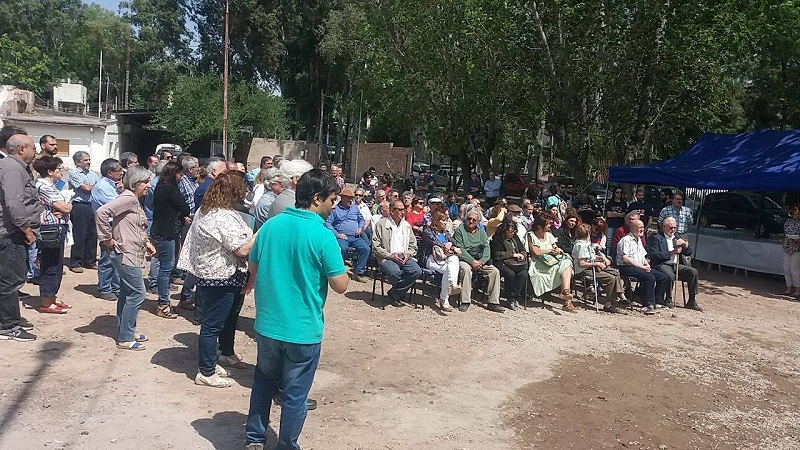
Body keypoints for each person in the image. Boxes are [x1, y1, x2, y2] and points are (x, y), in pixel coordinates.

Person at [245, 169, 348, 449]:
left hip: (267, 325)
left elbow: (252, 266)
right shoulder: (323, 235)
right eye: (332, 199)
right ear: (317, 198)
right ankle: (286, 445)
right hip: (302, 329)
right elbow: (341, 285)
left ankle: (254, 439)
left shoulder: (271, 225)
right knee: (295, 394)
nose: (334, 205)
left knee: (263, 383)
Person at [177, 172, 256, 385]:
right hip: (220, 276)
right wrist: (262, 232)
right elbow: (241, 249)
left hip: (222, 275)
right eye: (242, 188)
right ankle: (206, 372)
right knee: (212, 325)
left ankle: (213, 361)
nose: (245, 192)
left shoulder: (211, 210)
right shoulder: (219, 216)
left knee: (221, 321)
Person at [95, 166, 156, 350]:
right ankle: (126, 337)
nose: (148, 185)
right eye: (145, 182)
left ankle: (126, 331)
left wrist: (146, 243)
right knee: (138, 293)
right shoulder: (128, 198)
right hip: (125, 253)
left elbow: (134, 226)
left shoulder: (134, 200)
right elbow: (101, 213)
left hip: (131, 251)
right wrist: (106, 239)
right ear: (135, 183)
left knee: (127, 292)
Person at [0, 134, 42, 341]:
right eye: (33, 148)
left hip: (11, 232)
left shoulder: (12, 167)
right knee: (11, 280)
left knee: (8, 279)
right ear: (21, 149)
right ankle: (8, 327)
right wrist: (26, 229)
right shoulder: (13, 169)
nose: (36, 152)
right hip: (11, 233)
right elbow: (14, 203)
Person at [151, 161, 191, 319]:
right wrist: (181, 213)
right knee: (166, 268)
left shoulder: (160, 187)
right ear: (173, 174)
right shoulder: (170, 189)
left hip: (160, 230)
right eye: (180, 174)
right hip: (166, 233)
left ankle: (163, 300)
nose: (181, 178)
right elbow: (185, 207)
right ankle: (163, 303)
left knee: (164, 266)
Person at [33, 156, 72, 314]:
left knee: (57, 263)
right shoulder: (44, 186)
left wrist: (65, 205)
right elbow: (65, 208)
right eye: (58, 169)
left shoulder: (53, 185)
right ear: (49, 171)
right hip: (50, 228)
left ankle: (52, 295)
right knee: (50, 263)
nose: (61, 172)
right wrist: (69, 204)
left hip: (58, 226)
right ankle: (46, 301)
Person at [453, 207, 504, 313]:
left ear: (478, 222)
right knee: (466, 270)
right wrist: (472, 261)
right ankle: (465, 301)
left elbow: (486, 247)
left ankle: (493, 302)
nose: (471, 221)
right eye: (469, 219)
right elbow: (460, 249)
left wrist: (481, 261)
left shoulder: (481, 231)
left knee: (494, 271)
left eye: (473, 220)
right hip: (465, 258)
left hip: (479, 260)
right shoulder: (460, 231)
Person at [372, 199, 422, 307]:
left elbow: (413, 245)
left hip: (404, 256)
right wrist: (390, 255)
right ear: (392, 211)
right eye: (399, 209)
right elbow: (376, 247)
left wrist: (408, 254)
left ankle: (395, 292)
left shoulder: (407, 226)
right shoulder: (381, 224)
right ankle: (400, 293)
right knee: (394, 271)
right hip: (387, 257)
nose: (403, 212)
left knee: (416, 271)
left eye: (403, 209)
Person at [648, 217, 702, 311]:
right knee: (670, 275)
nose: (673, 230)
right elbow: (654, 255)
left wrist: (685, 244)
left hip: (675, 264)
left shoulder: (676, 236)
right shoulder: (656, 237)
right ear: (664, 227)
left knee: (693, 272)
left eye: (674, 228)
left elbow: (688, 253)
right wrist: (671, 253)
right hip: (662, 264)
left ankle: (692, 300)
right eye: (670, 228)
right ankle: (668, 298)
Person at [617, 219, 670, 315]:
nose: (642, 229)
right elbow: (625, 259)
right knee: (649, 277)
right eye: (639, 227)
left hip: (639, 266)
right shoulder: (626, 240)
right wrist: (642, 267)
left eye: (642, 227)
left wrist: (646, 264)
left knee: (663, 277)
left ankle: (657, 301)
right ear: (632, 228)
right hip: (626, 267)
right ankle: (647, 305)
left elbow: (642, 256)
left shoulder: (639, 240)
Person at [572, 223, 628, 313]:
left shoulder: (586, 243)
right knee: (611, 278)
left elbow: (589, 256)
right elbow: (582, 263)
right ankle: (608, 304)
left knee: (615, 272)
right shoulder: (580, 245)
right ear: (588, 233)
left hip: (593, 265)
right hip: (584, 270)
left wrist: (600, 258)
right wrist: (597, 264)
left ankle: (620, 296)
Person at [526, 213, 577, 312]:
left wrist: (558, 250)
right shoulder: (531, 235)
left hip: (552, 261)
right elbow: (536, 252)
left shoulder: (549, 235)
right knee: (566, 266)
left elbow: (555, 247)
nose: (550, 226)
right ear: (540, 226)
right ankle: (567, 300)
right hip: (539, 264)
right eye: (548, 224)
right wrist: (548, 250)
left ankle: (565, 293)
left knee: (566, 262)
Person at [91, 158, 124, 300]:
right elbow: (117, 205)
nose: (121, 173)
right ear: (110, 173)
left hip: (117, 225)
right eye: (118, 170)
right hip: (108, 226)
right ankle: (105, 288)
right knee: (107, 258)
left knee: (118, 258)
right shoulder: (102, 187)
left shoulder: (115, 185)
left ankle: (116, 287)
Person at [324, 187, 370, 283]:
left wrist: (360, 228)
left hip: (355, 236)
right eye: (348, 197)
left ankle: (358, 273)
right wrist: (337, 234)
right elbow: (328, 223)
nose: (350, 199)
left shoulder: (354, 208)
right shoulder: (336, 209)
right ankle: (338, 272)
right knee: (343, 249)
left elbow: (361, 219)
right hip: (342, 236)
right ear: (342, 198)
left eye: (351, 198)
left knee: (366, 248)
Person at [420, 209, 462, 312]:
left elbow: (453, 241)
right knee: (449, 270)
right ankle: (445, 297)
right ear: (437, 221)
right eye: (443, 220)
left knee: (454, 260)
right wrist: (449, 247)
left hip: (444, 259)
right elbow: (435, 242)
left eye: (446, 220)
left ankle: (450, 288)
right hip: (430, 258)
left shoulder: (445, 233)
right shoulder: (428, 231)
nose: (446, 223)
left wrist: (451, 244)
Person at [67, 151, 100, 273]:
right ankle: (76, 262)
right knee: (80, 234)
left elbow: (97, 186)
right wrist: (94, 186)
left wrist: (93, 186)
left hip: (92, 205)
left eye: (89, 159)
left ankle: (90, 261)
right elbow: (85, 188)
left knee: (92, 234)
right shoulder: (74, 174)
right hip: (79, 205)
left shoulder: (92, 174)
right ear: (77, 162)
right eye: (85, 160)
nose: (88, 162)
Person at [490, 218, 528, 310]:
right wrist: (512, 255)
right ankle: (510, 299)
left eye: (514, 231)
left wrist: (522, 255)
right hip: (502, 262)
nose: (512, 234)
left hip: (515, 263)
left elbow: (522, 249)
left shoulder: (515, 238)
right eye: (510, 231)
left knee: (523, 274)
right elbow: (497, 254)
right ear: (504, 230)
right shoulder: (497, 239)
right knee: (510, 274)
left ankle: (514, 297)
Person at [784, 205, 800, 297]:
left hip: (797, 248)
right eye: (794, 214)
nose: (796, 216)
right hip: (788, 246)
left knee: (795, 269)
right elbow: (787, 232)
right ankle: (788, 287)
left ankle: (797, 289)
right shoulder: (788, 222)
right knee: (787, 268)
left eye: (798, 214)